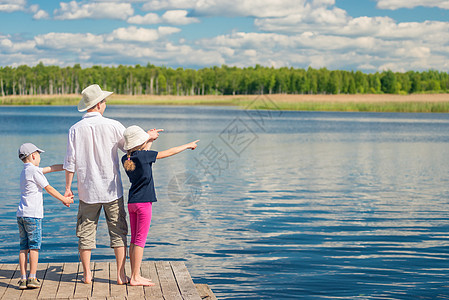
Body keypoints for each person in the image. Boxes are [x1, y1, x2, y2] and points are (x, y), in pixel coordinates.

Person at [63, 84, 129, 284]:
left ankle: (87, 275)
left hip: (87, 191)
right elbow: (130, 146)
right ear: (99, 105)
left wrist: (67, 189)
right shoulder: (114, 125)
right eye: (104, 101)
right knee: (118, 233)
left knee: (85, 233)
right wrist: (149, 139)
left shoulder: (74, 129)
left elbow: (70, 162)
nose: (105, 104)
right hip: (112, 190)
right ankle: (120, 275)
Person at [121, 125, 199, 286]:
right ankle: (135, 277)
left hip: (132, 202)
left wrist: (149, 139)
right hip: (144, 204)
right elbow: (169, 152)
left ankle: (134, 274)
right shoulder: (144, 157)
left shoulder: (126, 158)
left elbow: (143, 153)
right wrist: (187, 145)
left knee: (134, 240)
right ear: (140, 142)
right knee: (140, 241)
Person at [17, 143, 74, 290]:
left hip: (21, 214)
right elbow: (48, 188)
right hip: (33, 216)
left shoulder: (25, 171)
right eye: (39, 154)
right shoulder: (35, 172)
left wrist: (67, 166)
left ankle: (23, 278)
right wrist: (64, 199)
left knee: (24, 247)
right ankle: (32, 277)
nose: (40, 157)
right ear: (34, 156)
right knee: (34, 247)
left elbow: (51, 168)